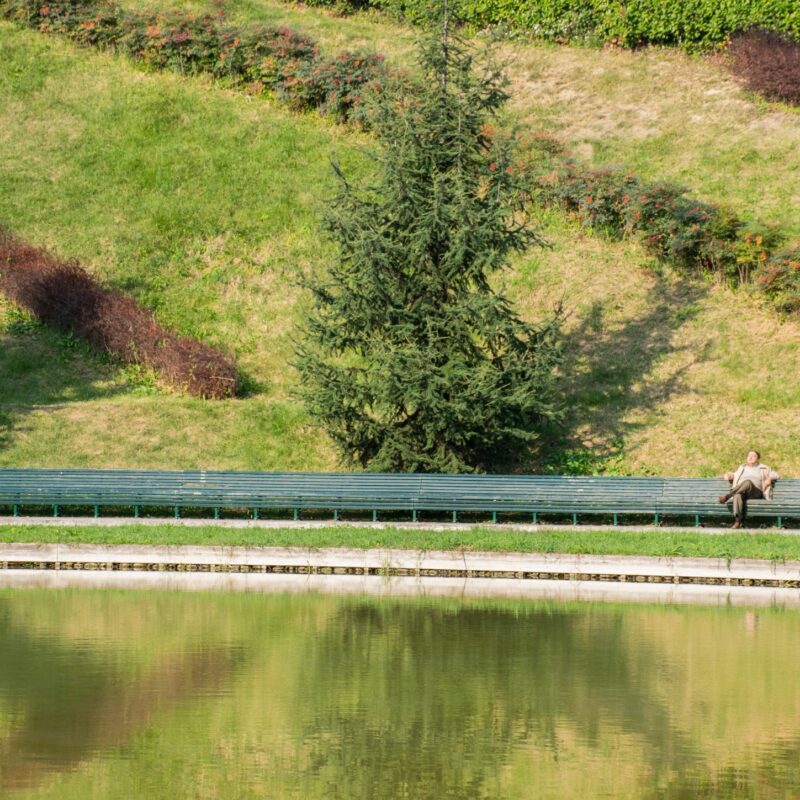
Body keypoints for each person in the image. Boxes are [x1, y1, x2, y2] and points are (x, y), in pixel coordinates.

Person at [718, 450, 779, 528]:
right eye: (749, 455)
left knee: (747, 482)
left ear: (758, 458)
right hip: (743, 491)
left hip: (756, 492)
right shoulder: (742, 467)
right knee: (737, 495)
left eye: (753, 456)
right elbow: (735, 475)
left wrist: (770, 478)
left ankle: (727, 496)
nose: (750, 457)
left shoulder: (763, 468)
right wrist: (729, 475)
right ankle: (737, 521)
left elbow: (776, 474)